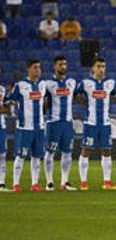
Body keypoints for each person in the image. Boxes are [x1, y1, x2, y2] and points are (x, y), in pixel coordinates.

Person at [76, 57, 116, 190]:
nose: (101, 69)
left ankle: (107, 182)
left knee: (106, 151)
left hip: (105, 123)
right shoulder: (85, 83)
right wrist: (85, 102)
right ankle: (83, 182)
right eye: (99, 66)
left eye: (103, 66)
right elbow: (75, 94)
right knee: (85, 150)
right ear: (93, 69)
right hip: (90, 123)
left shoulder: (111, 83)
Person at [8, 60, 48, 192]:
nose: (38, 70)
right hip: (25, 127)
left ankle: (35, 184)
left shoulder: (43, 85)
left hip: (39, 127)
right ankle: (16, 184)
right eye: (35, 67)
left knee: (37, 156)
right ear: (29, 69)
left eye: (39, 67)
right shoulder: (20, 85)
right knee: (21, 155)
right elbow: (9, 99)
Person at [44, 56, 78, 191]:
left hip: (68, 123)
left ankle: (65, 181)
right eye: (60, 64)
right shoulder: (48, 84)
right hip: (54, 123)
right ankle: (49, 182)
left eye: (65, 64)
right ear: (55, 66)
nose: (63, 66)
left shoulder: (72, 82)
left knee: (67, 153)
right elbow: (42, 101)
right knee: (50, 152)